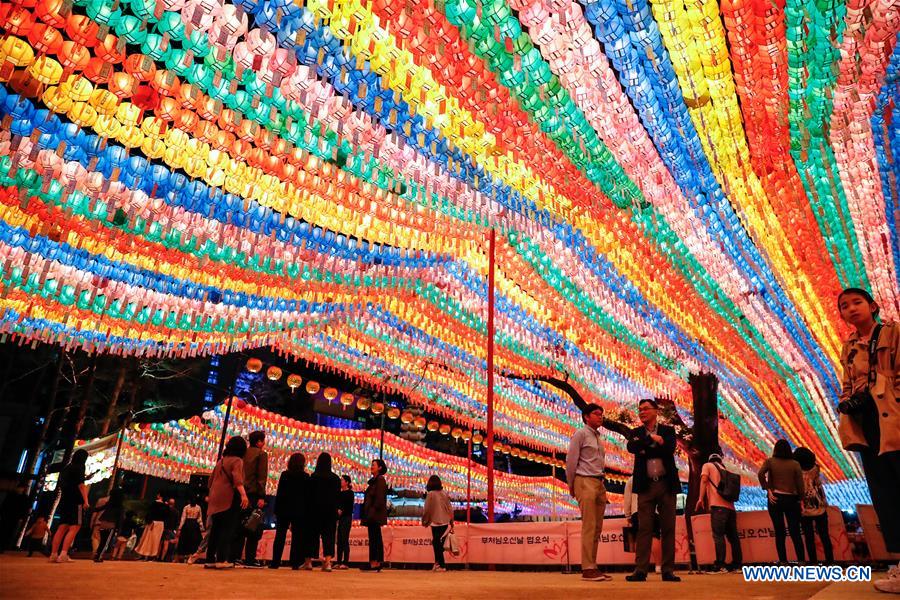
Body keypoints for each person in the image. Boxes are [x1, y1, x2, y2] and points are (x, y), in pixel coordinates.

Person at [836, 288, 900, 561]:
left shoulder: (891, 332)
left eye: (857, 302)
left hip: (894, 417)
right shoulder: (848, 347)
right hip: (866, 424)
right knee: (883, 494)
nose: (851, 308)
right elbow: (846, 384)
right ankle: (898, 562)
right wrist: (847, 403)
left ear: (873, 306)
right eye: (844, 306)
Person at [625, 399, 681, 582]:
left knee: (668, 528)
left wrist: (646, 447)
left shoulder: (668, 431)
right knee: (644, 528)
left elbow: (669, 449)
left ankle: (668, 570)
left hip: (666, 484)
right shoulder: (636, 433)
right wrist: (652, 440)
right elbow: (632, 447)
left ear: (656, 411)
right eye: (639, 410)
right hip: (645, 486)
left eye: (645, 409)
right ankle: (640, 570)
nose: (641, 412)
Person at [565, 403, 611, 582]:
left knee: (597, 527)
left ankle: (593, 565)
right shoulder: (580, 434)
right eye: (596, 414)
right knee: (589, 526)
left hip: (599, 482)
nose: (600, 417)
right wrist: (572, 484)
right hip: (584, 480)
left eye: (601, 414)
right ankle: (587, 568)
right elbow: (571, 460)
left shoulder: (597, 437)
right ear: (586, 416)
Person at [758, 439, 805, 564]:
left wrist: (767, 488)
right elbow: (800, 485)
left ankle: (783, 561)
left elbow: (760, 474)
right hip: (791, 499)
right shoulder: (795, 464)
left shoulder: (770, 462)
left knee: (779, 531)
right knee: (795, 530)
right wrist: (801, 499)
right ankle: (801, 560)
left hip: (775, 499)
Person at [205, 436, 249, 569]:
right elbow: (237, 479)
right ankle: (222, 559)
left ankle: (209, 559)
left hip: (215, 497)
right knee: (227, 529)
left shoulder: (221, 461)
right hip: (228, 498)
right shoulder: (238, 461)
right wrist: (243, 495)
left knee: (215, 529)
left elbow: (210, 481)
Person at [696, 451, 742, 572]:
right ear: (720, 461)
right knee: (733, 537)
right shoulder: (725, 470)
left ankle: (720, 565)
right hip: (731, 508)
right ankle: (737, 565)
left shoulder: (707, 465)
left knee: (718, 535)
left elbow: (704, 480)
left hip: (718, 507)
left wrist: (700, 498)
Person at [232, 430, 268, 567]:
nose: (264, 443)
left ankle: (235, 556)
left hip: (239, 493)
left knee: (240, 525)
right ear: (259, 441)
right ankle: (250, 558)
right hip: (253, 494)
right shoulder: (261, 454)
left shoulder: (243, 453)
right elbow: (261, 477)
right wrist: (262, 496)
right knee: (253, 525)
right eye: (263, 440)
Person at [792, 447, 833, 564]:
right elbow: (819, 486)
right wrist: (824, 499)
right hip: (820, 505)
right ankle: (830, 561)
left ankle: (813, 562)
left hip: (805, 509)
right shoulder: (816, 469)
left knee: (809, 538)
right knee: (825, 536)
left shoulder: (796, 471)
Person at [49, 449, 90, 563]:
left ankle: (53, 554)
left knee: (62, 527)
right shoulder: (80, 467)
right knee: (75, 526)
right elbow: (81, 485)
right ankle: (63, 554)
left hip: (65, 500)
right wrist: (86, 501)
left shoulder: (67, 468)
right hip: (76, 500)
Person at [270, 453, 309, 570]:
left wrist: (276, 509)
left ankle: (275, 562)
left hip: (284, 509)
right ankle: (295, 562)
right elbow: (306, 496)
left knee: (280, 535)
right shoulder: (306, 476)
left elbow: (280, 493)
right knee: (297, 537)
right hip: (298, 510)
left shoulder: (285, 475)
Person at [306, 452, 340, 571]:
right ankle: (328, 562)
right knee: (329, 536)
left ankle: (308, 562)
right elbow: (337, 497)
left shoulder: (313, 477)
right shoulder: (336, 479)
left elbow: (309, 496)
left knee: (312, 536)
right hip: (330, 511)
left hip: (314, 511)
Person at [422, 475, 453, 572]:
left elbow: (427, 509)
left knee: (436, 543)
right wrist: (451, 521)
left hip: (435, 522)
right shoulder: (444, 493)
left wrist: (425, 521)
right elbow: (450, 508)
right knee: (437, 543)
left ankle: (441, 565)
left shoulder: (430, 494)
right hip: (445, 521)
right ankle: (437, 563)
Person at [361, 458, 388, 572]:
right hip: (371, 514)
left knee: (375, 538)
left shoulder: (380, 480)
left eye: (374, 465)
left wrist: (371, 511)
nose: (371, 467)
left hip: (374, 515)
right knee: (374, 537)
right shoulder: (374, 480)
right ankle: (374, 561)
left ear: (380, 468)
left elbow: (379, 498)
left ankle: (375, 562)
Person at [91, 488, 124, 562]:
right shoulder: (120, 506)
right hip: (111, 525)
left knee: (102, 541)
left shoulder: (108, 504)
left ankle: (97, 554)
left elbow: (98, 509)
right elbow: (120, 518)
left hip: (103, 523)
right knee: (106, 542)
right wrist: (118, 529)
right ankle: (99, 556)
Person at [135, 493, 168, 560]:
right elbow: (167, 516)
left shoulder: (154, 503)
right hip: (161, 524)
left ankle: (144, 555)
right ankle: (152, 556)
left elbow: (149, 513)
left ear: (159, 495)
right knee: (156, 541)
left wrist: (149, 521)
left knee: (147, 539)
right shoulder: (165, 505)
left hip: (153, 523)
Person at [176, 496, 205, 561]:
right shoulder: (186, 507)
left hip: (193, 525)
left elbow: (199, 518)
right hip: (188, 525)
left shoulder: (198, 507)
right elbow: (183, 518)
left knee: (194, 540)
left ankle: (192, 555)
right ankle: (186, 555)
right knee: (187, 540)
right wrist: (180, 527)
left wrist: (201, 527)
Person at [335, 475, 354, 570]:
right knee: (339, 540)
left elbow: (348, 506)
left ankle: (345, 562)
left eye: (342, 480)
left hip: (346, 517)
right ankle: (338, 562)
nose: (340, 482)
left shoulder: (350, 493)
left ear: (347, 482)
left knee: (344, 539)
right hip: (340, 518)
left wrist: (341, 510)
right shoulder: (339, 493)